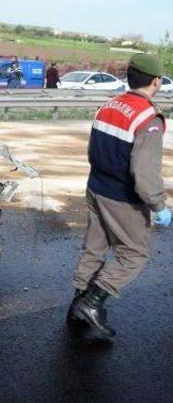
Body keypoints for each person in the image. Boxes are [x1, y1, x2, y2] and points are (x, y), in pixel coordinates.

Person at [67, 53, 170, 340]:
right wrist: (158, 204)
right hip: (123, 196)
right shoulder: (148, 117)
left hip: (95, 187)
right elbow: (145, 172)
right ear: (156, 81)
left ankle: (77, 304)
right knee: (134, 254)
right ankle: (92, 302)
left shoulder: (108, 105)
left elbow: (92, 151)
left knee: (94, 248)